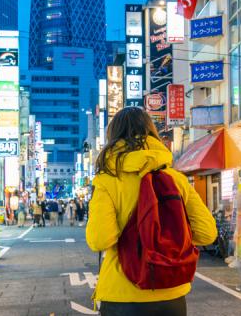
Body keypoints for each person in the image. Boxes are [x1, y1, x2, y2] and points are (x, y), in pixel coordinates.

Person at [86, 107, 217, 316]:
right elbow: (207, 233)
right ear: (151, 132)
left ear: (114, 137)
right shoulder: (177, 180)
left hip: (122, 295)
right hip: (171, 294)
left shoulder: (107, 181)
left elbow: (99, 240)